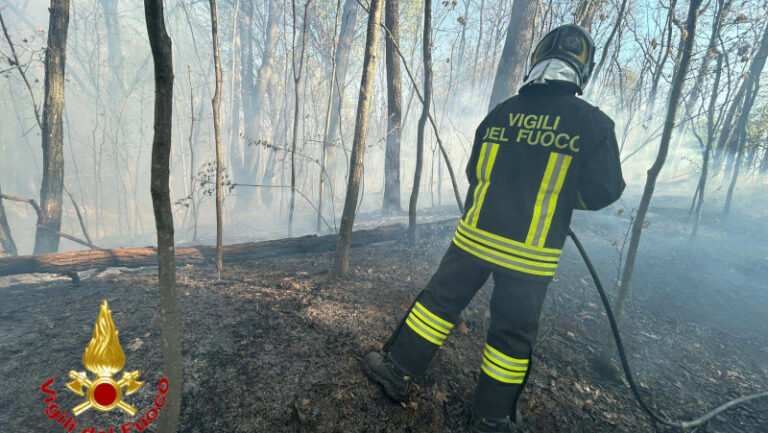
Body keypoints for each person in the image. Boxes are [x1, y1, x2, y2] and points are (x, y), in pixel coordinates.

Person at [364, 24, 626, 433]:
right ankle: (490, 418)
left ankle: (397, 371)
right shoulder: (593, 124)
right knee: (511, 337)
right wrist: (556, 201)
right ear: (583, 70)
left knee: (436, 306)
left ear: (535, 62)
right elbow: (604, 191)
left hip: (475, 238)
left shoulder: (502, 113)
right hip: (530, 253)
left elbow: (475, 173)